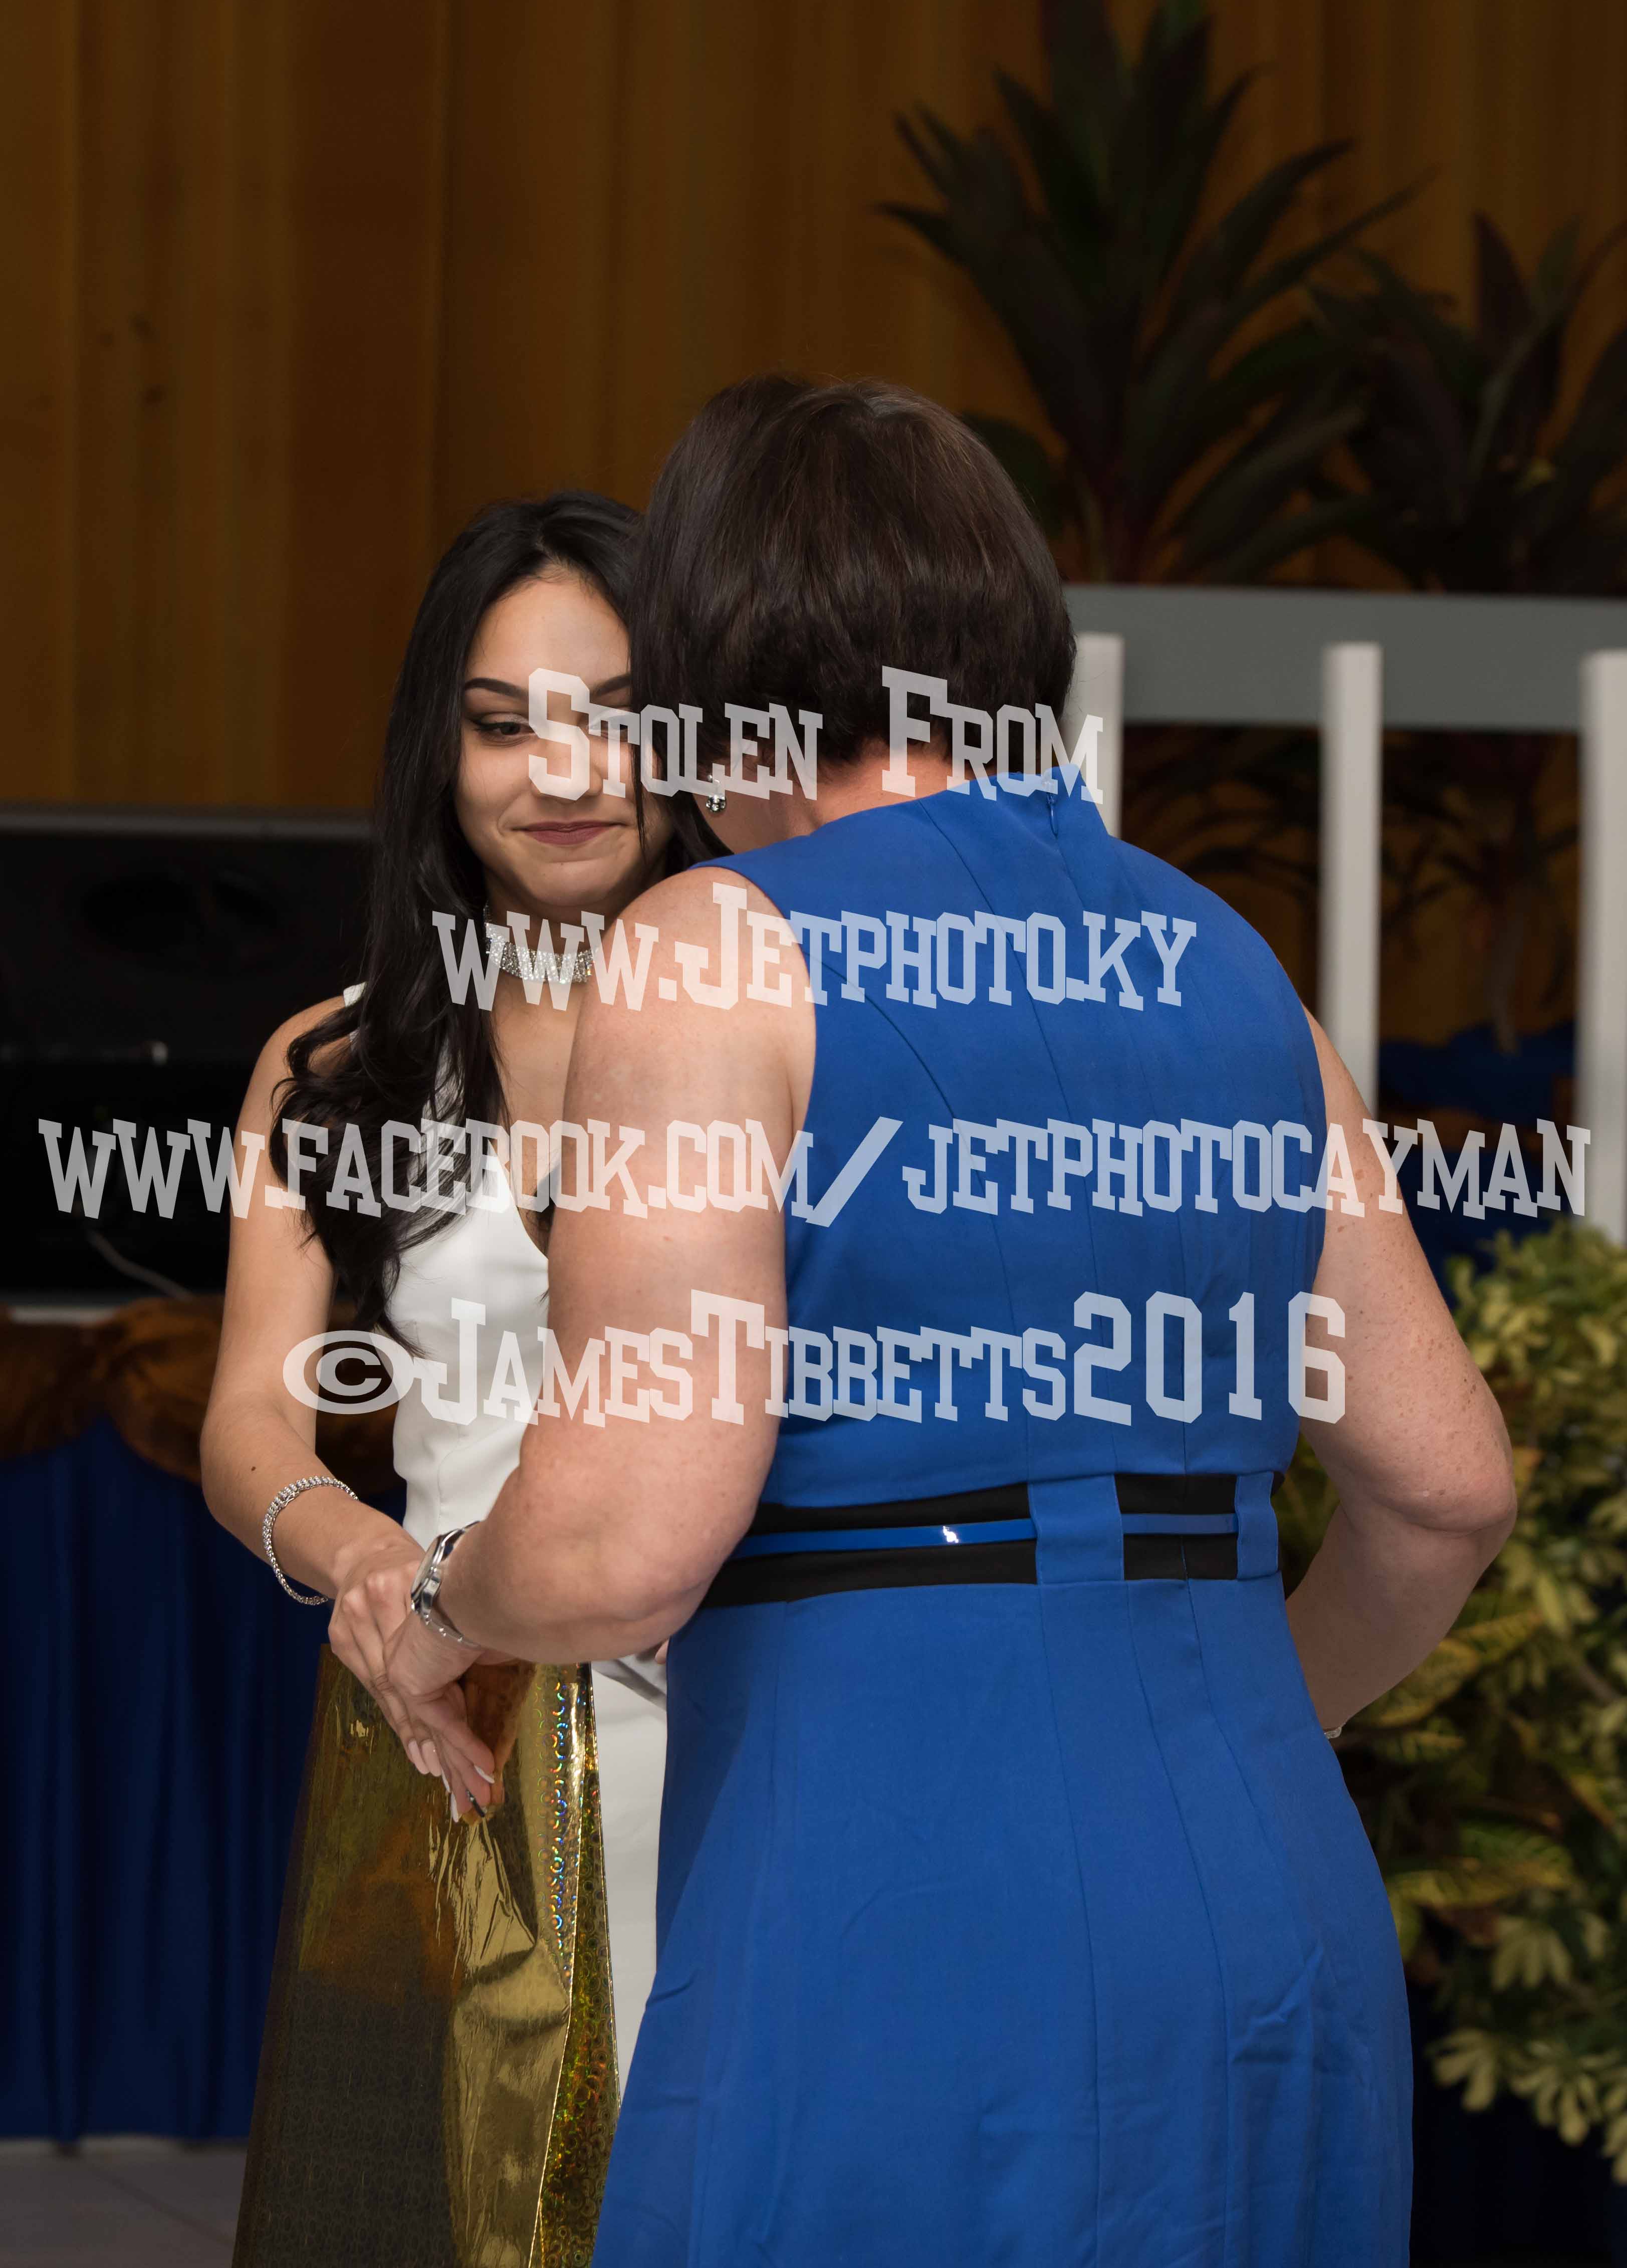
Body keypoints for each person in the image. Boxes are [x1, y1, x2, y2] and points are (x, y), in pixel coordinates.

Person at [381, 380, 1517, 2267]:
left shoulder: (713, 944)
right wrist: (1261, 1707)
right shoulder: (1221, 951)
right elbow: (1449, 1486)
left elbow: (618, 1542)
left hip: (893, 1894)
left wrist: (436, 1612)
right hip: (1266, 1906)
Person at [201, 494, 675, 2265]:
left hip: (748, 1707)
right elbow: (250, 1414)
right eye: (503, 725)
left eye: (617, 714)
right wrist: (370, 1565)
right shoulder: (335, 1062)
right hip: (445, 1699)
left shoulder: (794, 1028)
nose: (566, 773)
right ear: (437, 751)